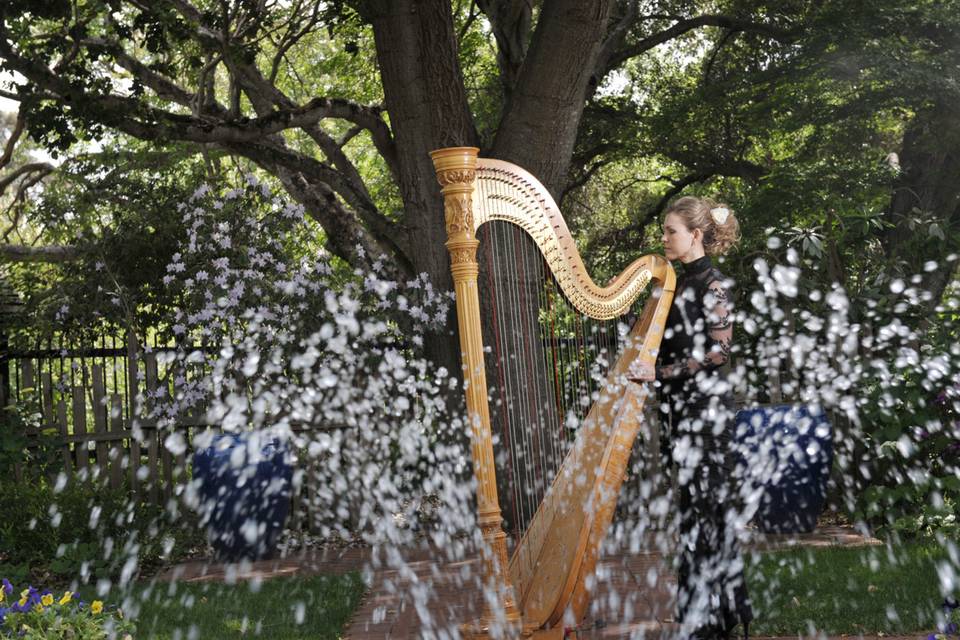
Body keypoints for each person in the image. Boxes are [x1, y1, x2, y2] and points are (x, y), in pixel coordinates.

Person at [628, 196, 753, 640]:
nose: (664, 238)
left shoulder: (715, 285)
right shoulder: (673, 287)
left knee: (708, 512)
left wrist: (658, 373)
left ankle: (713, 620)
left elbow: (719, 353)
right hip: (680, 411)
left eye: (671, 232)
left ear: (696, 236)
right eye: (664, 231)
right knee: (693, 513)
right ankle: (704, 617)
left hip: (708, 415)